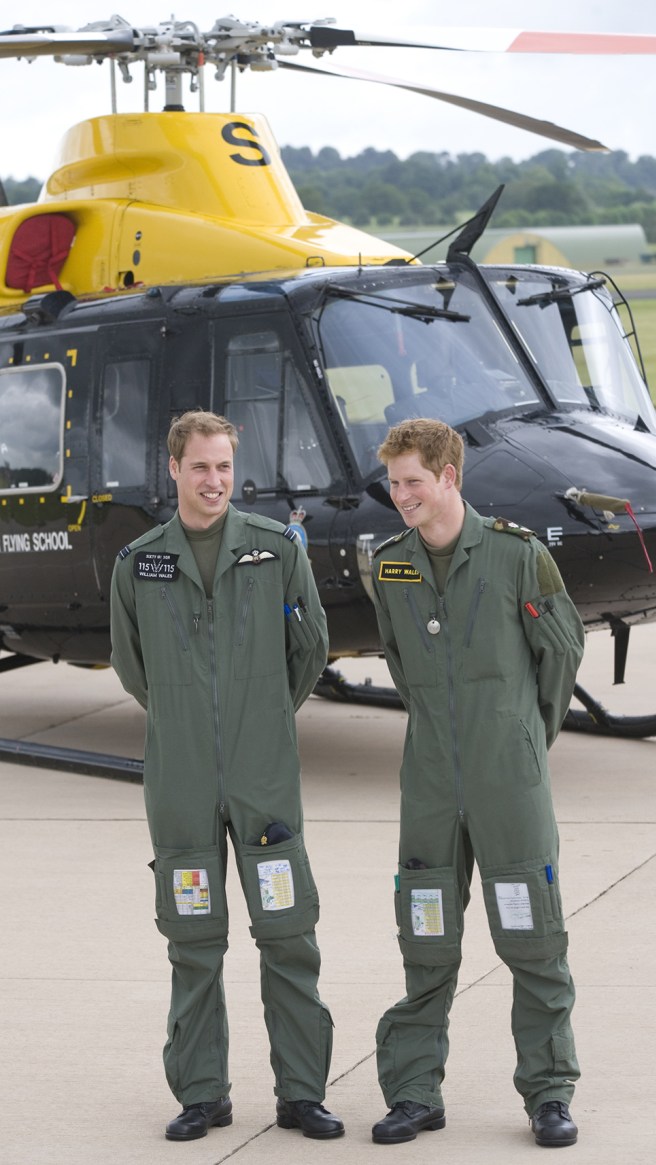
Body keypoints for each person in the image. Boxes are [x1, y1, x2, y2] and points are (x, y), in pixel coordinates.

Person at [110, 409, 343, 1143]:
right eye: (200, 467)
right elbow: (133, 665)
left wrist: (261, 714)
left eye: (224, 466)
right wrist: (186, 718)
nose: (215, 481)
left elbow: (310, 648)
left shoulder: (275, 551)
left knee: (288, 933)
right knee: (193, 939)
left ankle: (302, 1093)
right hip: (180, 779)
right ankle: (203, 1093)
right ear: (173, 469)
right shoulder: (139, 562)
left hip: (263, 772)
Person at [368, 418, 584, 1149]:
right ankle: (415, 1092)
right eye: (394, 483)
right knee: (425, 933)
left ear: (450, 477)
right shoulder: (390, 565)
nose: (401, 497)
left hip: (507, 779)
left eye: (413, 482)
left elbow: (559, 654)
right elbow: (401, 663)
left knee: (533, 937)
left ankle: (549, 1092)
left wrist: (522, 736)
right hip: (429, 780)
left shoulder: (518, 557)